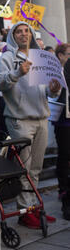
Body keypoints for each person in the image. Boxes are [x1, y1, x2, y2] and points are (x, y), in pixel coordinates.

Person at [0, 21, 61, 229]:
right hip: (20, 119)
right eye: (18, 32)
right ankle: (25, 211)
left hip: (41, 118)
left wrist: (54, 89)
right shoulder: (7, 58)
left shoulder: (40, 58)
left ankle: (34, 208)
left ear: (31, 34)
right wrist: (17, 73)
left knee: (36, 168)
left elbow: (48, 91)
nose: (24, 34)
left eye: (26, 31)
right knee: (24, 168)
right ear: (12, 36)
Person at [53, 43, 70, 220]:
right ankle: (63, 188)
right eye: (68, 54)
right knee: (64, 155)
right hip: (63, 120)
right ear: (60, 56)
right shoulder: (56, 72)